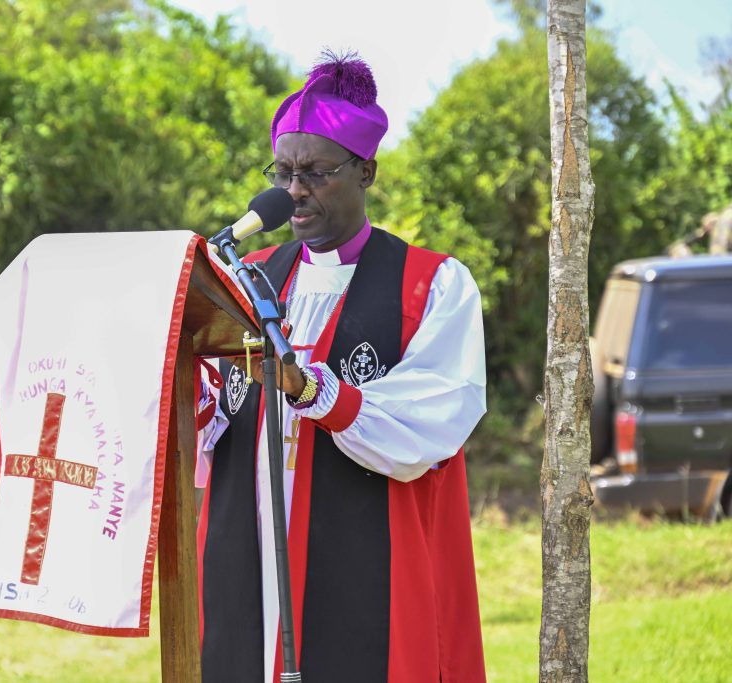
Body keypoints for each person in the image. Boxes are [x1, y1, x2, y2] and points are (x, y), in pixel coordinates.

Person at [195, 52, 488, 683]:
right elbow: (215, 410)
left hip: (364, 559)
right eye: (283, 171)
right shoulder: (246, 279)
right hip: (248, 547)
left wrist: (316, 393)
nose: (292, 191)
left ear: (366, 172)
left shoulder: (431, 285)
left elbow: (430, 424)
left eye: (316, 173)